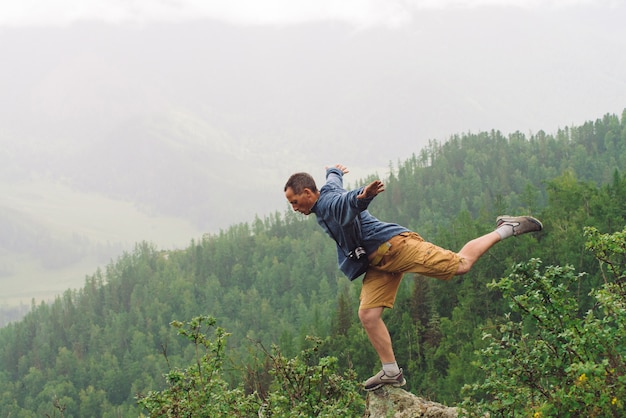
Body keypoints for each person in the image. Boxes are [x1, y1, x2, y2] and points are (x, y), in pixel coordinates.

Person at [284, 164, 543, 391]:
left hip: (396, 246)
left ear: (308, 193)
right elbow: (333, 182)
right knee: (368, 315)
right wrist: (335, 171)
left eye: (295, 202)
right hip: (378, 264)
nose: (294, 208)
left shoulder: (328, 204)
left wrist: (363, 196)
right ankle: (392, 372)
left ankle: (507, 228)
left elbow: (347, 201)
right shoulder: (325, 193)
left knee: (461, 264)